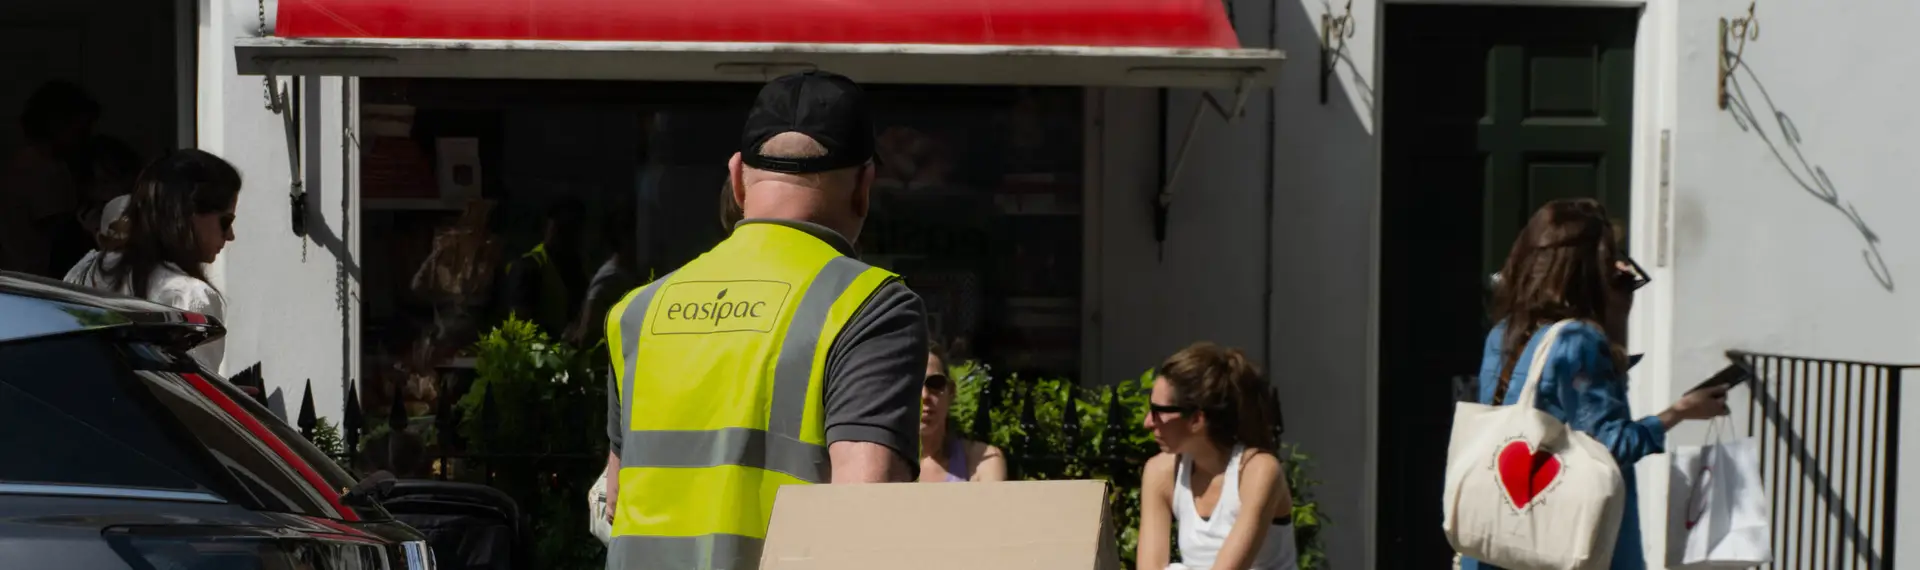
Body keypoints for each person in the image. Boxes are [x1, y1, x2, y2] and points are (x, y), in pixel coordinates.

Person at [601, 70, 928, 570]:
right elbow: (865, 514)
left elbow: (617, 497)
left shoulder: (637, 312)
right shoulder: (872, 307)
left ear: (736, 178)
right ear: (864, 186)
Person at [1459, 198, 1729, 570]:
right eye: (1608, 258)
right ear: (1587, 270)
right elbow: (1611, 445)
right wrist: (1680, 412)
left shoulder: (1504, 333)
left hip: (1500, 538)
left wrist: (1613, 315)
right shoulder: (1579, 342)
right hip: (1561, 545)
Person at [64, 149, 242, 373]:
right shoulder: (190, 296)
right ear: (188, 214)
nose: (230, 235)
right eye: (225, 221)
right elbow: (184, 402)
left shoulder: (85, 270)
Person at [1137, 342, 1298, 570]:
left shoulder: (1257, 471)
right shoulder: (1161, 472)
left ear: (1196, 420)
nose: (1148, 422)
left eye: (1159, 412)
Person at [0, 80, 100, 277]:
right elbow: (61, 233)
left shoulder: (33, 163)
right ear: (57, 123)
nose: (85, 136)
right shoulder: (40, 167)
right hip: (33, 277)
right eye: (80, 128)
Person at [917, 339, 1006, 483]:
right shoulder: (879, 464)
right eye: (912, 384)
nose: (925, 395)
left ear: (951, 392)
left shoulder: (980, 462)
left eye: (935, 383)